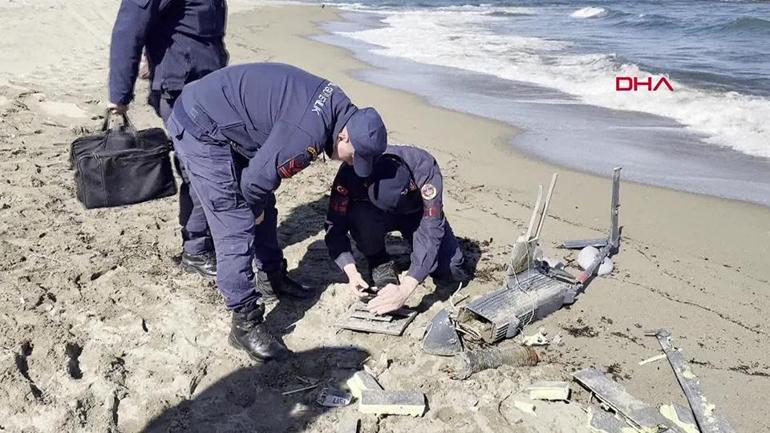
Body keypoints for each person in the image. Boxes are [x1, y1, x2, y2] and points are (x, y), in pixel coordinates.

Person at [165, 62, 388, 361]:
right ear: (344, 137)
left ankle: (271, 279)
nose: (350, 164)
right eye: (353, 158)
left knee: (262, 202)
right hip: (201, 124)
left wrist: (258, 206)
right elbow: (252, 187)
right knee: (235, 219)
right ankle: (244, 322)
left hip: (226, 117)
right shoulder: (305, 135)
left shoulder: (340, 109)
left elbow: (261, 179)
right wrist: (252, 210)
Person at [108, 0, 230, 278]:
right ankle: (197, 250)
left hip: (209, 85)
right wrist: (119, 97)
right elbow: (128, 29)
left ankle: (201, 243)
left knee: (206, 169)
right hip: (180, 90)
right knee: (201, 171)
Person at [324, 145, 467, 315]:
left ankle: (418, 258)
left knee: (451, 268)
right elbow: (334, 228)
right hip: (374, 214)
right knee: (360, 214)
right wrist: (352, 272)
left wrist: (406, 288)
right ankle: (378, 259)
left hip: (416, 214)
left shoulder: (425, 167)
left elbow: (432, 227)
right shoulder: (349, 174)